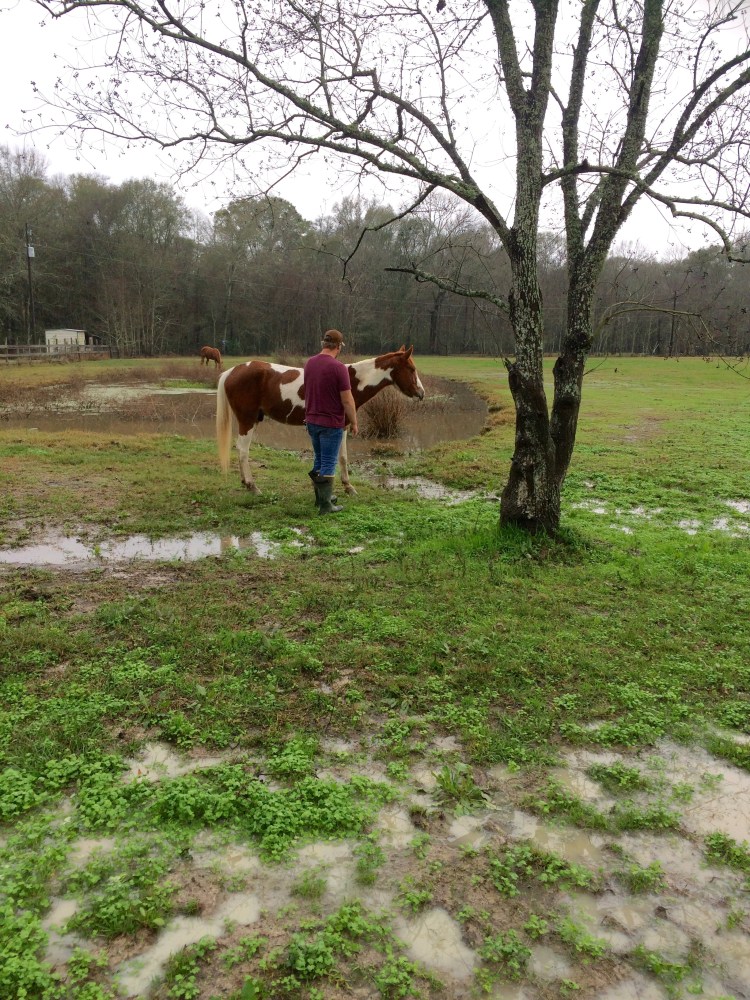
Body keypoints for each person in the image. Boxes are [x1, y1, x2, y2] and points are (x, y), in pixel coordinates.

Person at [304, 329, 358, 514]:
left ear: (323, 343)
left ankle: (321, 499)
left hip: (311, 421)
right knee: (328, 462)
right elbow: (347, 400)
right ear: (338, 346)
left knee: (319, 459)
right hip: (331, 423)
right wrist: (354, 422)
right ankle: (326, 506)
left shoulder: (309, 363)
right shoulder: (339, 368)